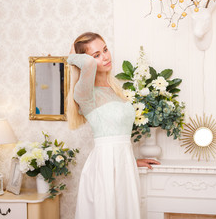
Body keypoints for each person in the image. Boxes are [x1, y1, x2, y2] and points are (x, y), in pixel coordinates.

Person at [67, 32, 160, 219]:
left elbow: (118, 135)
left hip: (124, 167)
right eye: (96, 55)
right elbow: (89, 65)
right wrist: (70, 57)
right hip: (103, 170)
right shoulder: (85, 93)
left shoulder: (116, 89)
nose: (105, 57)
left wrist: (131, 161)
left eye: (105, 49)